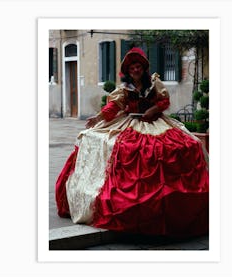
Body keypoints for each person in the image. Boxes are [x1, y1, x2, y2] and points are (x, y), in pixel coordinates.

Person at [55, 47, 209, 238]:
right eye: (132, 67)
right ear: (128, 71)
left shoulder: (154, 83)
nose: (135, 70)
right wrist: (97, 118)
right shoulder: (124, 89)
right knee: (125, 148)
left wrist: (153, 110)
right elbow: (113, 106)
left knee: (181, 145)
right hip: (131, 122)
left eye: (138, 66)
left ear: (143, 68)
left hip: (155, 123)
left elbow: (163, 102)